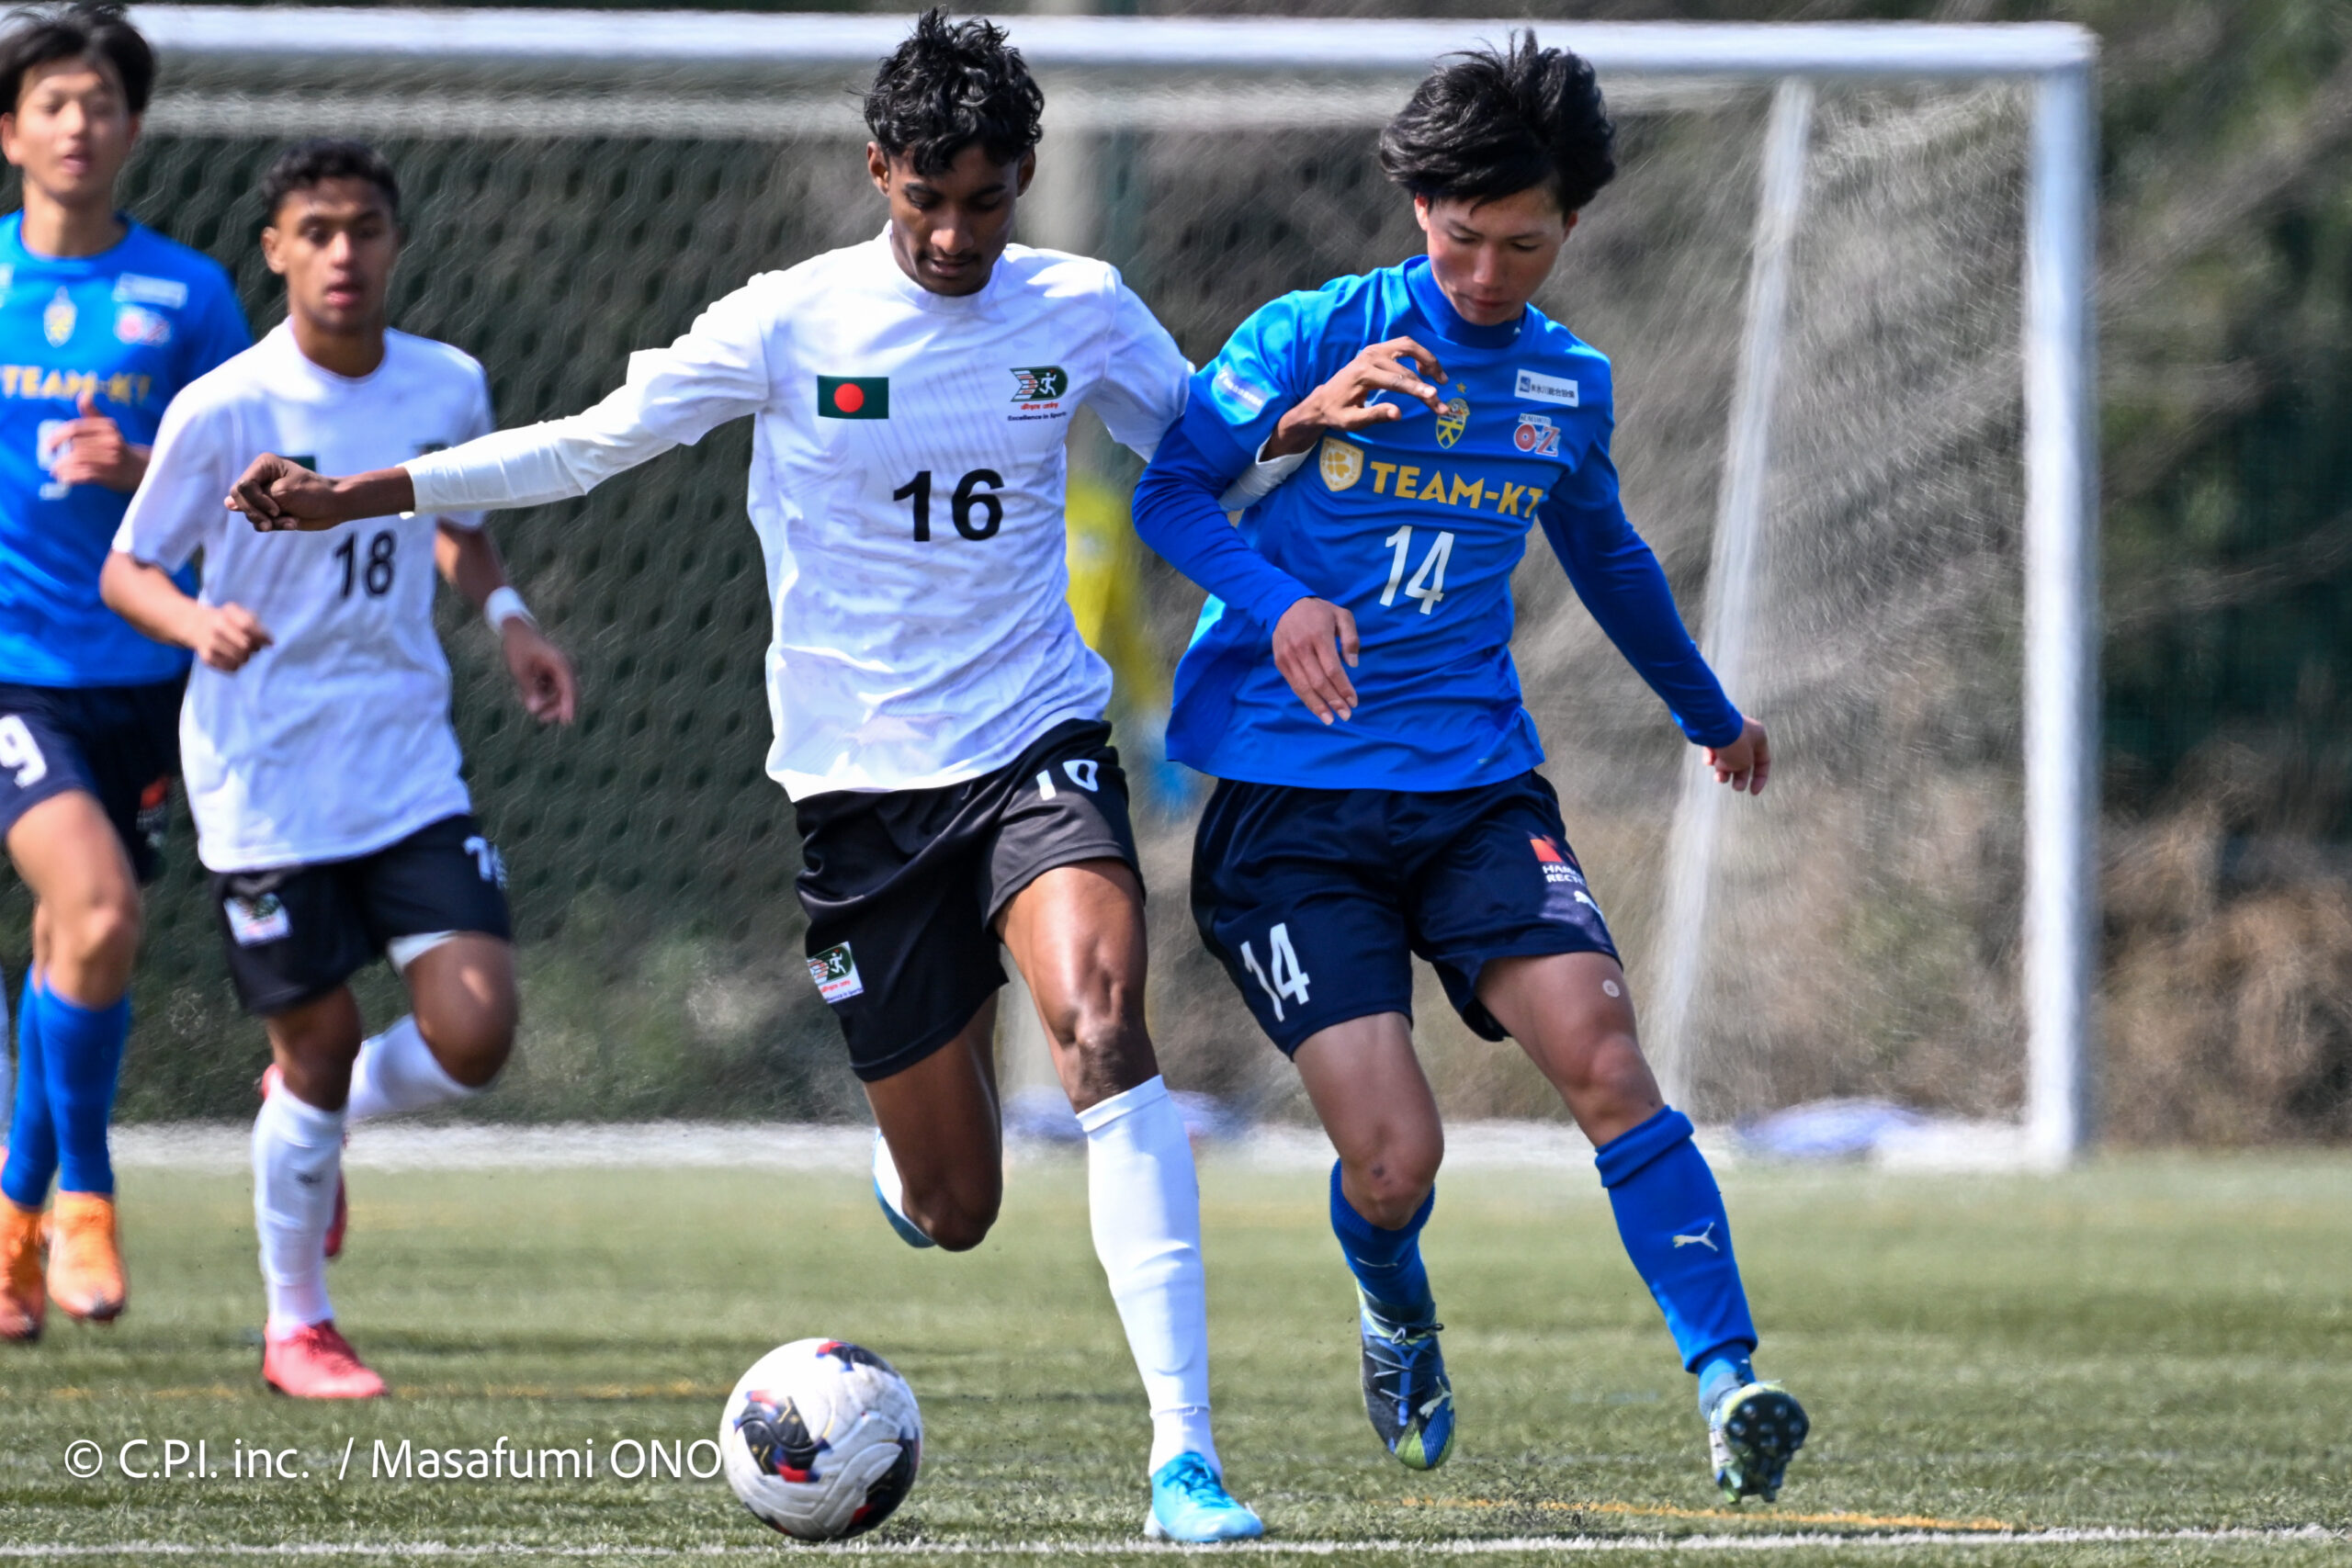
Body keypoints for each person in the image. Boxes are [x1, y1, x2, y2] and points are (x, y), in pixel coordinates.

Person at [218, 13, 1269, 1539]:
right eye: (929, 200)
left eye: (986, 201)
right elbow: (585, 446)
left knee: (1106, 1029)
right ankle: (915, 1176)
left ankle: (1184, 1460)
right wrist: (353, 497)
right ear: (879, 170)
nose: (956, 235)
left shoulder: (1083, 308)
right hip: (860, 797)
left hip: (1035, 742)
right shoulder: (789, 320)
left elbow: (1209, 447)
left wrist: (1300, 423)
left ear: (1025, 179)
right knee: (959, 1207)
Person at [1128, 34, 1810, 1503]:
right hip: (1292, 807)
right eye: (1460, 240)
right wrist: (1280, 590)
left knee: (1606, 1054)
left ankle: (1728, 1383)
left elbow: (1607, 555)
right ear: (1417, 212)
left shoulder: (1567, 384)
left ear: (1572, 223)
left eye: (1524, 243)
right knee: (1397, 1163)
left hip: (1475, 789)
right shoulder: (1314, 332)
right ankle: (1394, 1301)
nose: (1488, 274)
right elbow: (1170, 494)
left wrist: (1708, 711)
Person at [101, 139, 577, 1397]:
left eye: (364, 227)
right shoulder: (224, 407)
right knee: (316, 1047)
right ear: (276, 251)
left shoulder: (446, 383)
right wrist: (196, 621)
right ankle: (296, 1326)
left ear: (395, 242)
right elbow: (127, 569)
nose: (343, 253)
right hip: (263, 775)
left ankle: (318, 1108)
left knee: (476, 1031)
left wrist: (511, 619)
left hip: (405, 759)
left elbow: (457, 527)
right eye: (315, 231)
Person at [0, 1, 248, 1341]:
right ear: (10, 131)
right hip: (12, 670)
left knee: (68, 943)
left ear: (134, 129)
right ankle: (87, 1193)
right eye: (53, 102)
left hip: (144, 670)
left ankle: (12, 1232)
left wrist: (141, 465)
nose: (77, 124)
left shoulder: (187, 295)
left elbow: (245, 487)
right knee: (96, 916)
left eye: (100, 103)